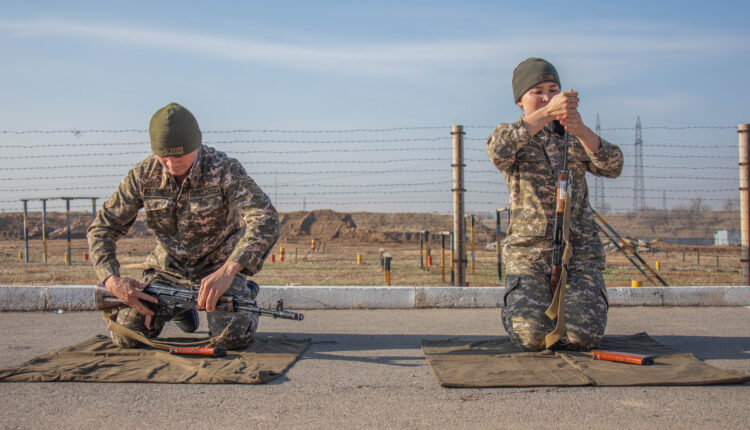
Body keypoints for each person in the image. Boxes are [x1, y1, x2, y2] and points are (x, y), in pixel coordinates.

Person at [87, 102, 280, 350]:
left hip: (217, 272)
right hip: (167, 273)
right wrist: (111, 280)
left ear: (195, 145)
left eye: (179, 155)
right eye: (163, 156)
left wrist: (229, 271)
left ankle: (246, 290)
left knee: (231, 339)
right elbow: (102, 228)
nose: (171, 164)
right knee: (126, 335)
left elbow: (265, 217)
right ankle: (180, 310)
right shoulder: (142, 175)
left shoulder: (223, 170)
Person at [486, 58, 623, 351]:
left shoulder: (575, 137)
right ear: (520, 101)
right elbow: (498, 151)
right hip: (531, 254)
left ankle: (570, 312)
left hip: (579, 253)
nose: (547, 97)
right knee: (533, 338)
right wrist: (548, 114)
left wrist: (581, 129)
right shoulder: (513, 135)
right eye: (537, 91)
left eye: (553, 89)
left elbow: (613, 166)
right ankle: (522, 309)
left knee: (583, 337)